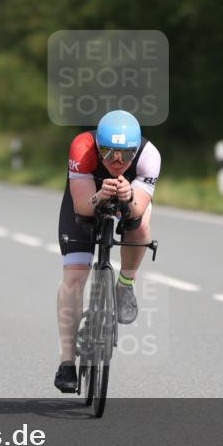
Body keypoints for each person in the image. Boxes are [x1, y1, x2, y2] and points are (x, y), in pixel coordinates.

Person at [53, 110, 161, 393]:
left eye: (126, 154)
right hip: (87, 197)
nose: (117, 161)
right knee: (74, 277)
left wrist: (128, 196)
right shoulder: (82, 147)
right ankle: (67, 362)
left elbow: (137, 210)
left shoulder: (149, 156)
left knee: (140, 226)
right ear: (98, 146)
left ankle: (125, 284)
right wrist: (100, 196)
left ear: (135, 151)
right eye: (109, 152)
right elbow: (81, 207)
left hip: (130, 198)